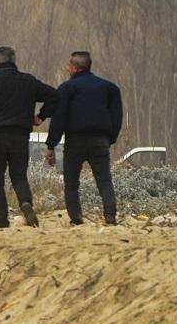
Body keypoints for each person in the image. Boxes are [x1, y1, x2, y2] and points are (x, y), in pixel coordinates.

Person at [0, 45, 58, 228]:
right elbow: (54, 96)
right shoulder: (28, 81)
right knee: (19, 176)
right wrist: (40, 117)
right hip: (20, 136)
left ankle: (2, 221)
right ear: (13, 62)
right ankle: (25, 202)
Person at [45, 50, 124, 225]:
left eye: (69, 65)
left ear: (74, 67)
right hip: (100, 140)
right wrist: (110, 138)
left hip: (75, 141)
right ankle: (110, 215)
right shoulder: (109, 88)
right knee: (104, 180)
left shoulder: (67, 88)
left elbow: (59, 118)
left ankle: (76, 218)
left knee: (71, 183)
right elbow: (117, 116)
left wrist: (51, 145)